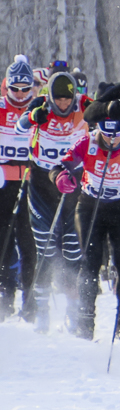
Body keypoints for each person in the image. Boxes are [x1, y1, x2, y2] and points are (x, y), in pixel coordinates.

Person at [15, 71, 89, 330]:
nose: (62, 104)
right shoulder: (41, 106)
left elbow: (106, 119)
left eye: (67, 99)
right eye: (58, 99)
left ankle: (73, 310)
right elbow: (21, 125)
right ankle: (42, 309)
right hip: (41, 183)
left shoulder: (84, 106)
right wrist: (32, 117)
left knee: (72, 248)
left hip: (72, 184)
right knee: (44, 246)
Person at [62, 100, 120, 340]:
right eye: (107, 135)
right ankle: (85, 322)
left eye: (118, 135)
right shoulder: (88, 141)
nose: (112, 141)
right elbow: (63, 164)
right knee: (91, 262)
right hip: (91, 207)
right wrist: (61, 176)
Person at [0, 56, 37, 320]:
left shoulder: (38, 108)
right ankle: (6, 293)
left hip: (30, 182)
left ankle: (31, 298)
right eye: (16, 89)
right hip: (3, 181)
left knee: (28, 239)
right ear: (7, 86)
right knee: (3, 238)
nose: (21, 94)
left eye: (26, 88)